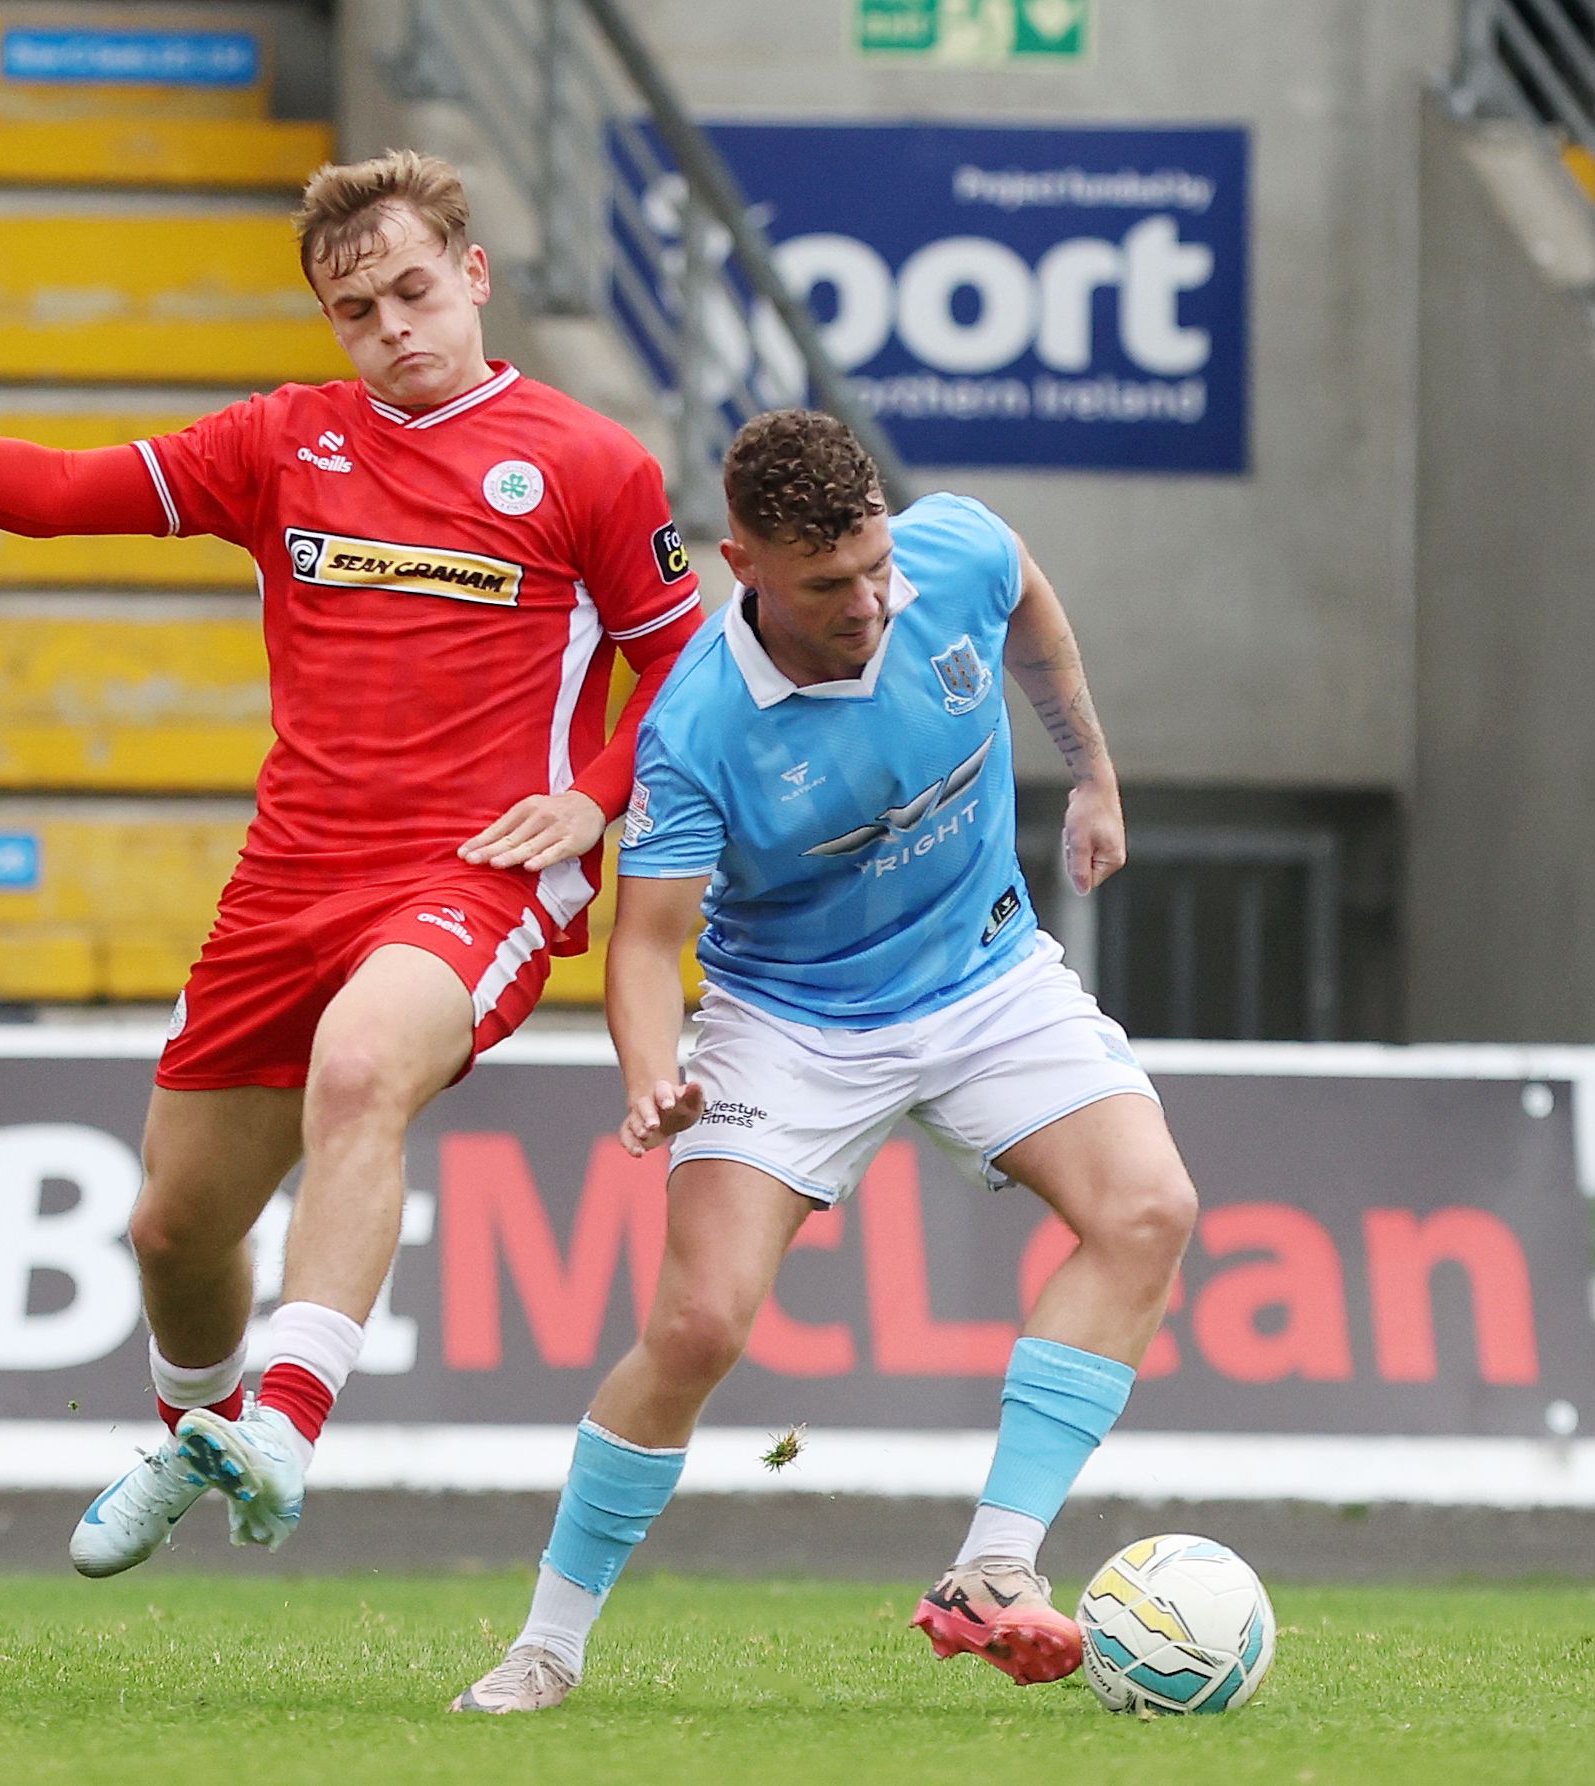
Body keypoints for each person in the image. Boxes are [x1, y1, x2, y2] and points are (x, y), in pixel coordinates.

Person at [0, 149, 703, 1573]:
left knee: (361, 1071)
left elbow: (685, 663)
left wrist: (593, 800)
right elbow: (61, 492)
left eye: (411, 290)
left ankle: (284, 1426)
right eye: (355, 308)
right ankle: (194, 1434)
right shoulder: (283, 442)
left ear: (472, 278)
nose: (391, 326)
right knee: (168, 1231)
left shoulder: (590, 461)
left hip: (477, 872)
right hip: (288, 880)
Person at [452, 409, 1198, 1714]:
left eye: (872, 566)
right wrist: (643, 1072)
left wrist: (1091, 772)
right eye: (825, 584)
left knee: (1147, 1210)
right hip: (787, 1017)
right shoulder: (696, 725)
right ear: (742, 563)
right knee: (694, 1324)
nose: (865, 601)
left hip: (981, 971)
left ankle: (991, 1566)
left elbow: (1019, 583)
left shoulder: (947, 547)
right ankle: (545, 1643)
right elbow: (643, 942)